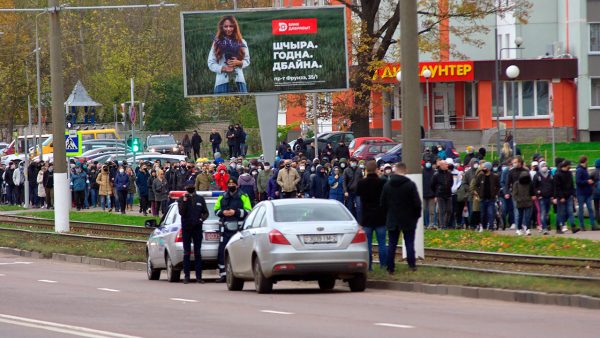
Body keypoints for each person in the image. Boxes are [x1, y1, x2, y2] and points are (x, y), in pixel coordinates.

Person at [380, 163, 421, 273]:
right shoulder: (410, 185)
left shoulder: (387, 185)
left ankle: (390, 267)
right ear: (405, 171)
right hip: (408, 219)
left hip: (392, 218)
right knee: (409, 243)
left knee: (392, 244)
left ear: (395, 170)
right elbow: (417, 203)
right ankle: (412, 265)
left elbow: (383, 204)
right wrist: (416, 217)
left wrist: (386, 217)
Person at [214, 178, 252, 283]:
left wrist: (235, 212)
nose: (231, 185)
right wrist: (223, 213)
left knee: (238, 251)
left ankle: (240, 273)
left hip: (238, 229)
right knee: (222, 251)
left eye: (233, 183)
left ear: (237, 185)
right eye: (229, 183)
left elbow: (249, 211)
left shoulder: (243, 196)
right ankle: (223, 274)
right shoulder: (222, 196)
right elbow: (216, 210)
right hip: (225, 228)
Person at [357, 160, 387, 271]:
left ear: (366, 170)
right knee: (382, 243)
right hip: (380, 218)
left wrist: (360, 220)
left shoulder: (361, 183)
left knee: (367, 245)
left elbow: (359, 203)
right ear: (376, 170)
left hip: (366, 219)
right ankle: (383, 266)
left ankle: (369, 266)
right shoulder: (383, 182)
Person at [208, 15, 250, 94]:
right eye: (225, 26)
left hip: (239, 81)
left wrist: (239, 63)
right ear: (221, 28)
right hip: (221, 83)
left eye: (231, 26)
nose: (228, 29)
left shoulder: (242, 42)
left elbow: (247, 61)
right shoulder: (216, 43)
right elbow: (211, 63)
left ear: (235, 27)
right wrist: (224, 68)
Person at [178, 184, 209, 284]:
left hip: (197, 228)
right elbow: (181, 212)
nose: (190, 188)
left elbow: (206, 212)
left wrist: (201, 219)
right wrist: (184, 201)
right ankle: (186, 276)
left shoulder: (200, 199)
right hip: (186, 228)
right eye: (188, 187)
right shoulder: (182, 199)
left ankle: (199, 277)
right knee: (186, 253)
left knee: (198, 253)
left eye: (191, 186)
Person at [554, 160, 579, 234]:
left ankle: (573, 226)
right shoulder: (557, 174)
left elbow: (571, 185)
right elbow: (557, 187)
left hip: (568, 195)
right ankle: (558, 227)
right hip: (561, 196)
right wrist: (561, 197)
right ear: (566, 165)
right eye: (569, 165)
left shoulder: (569, 173)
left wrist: (574, 194)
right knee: (560, 212)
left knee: (570, 211)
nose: (570, 166)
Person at [473, 162, 500, 231]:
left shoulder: (494, 176)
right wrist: (478, 193)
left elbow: (498, 186)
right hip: (482, 198)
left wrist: (495, 193)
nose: (483, 169)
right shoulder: (480, 176)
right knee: (482, 213)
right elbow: (476, 185)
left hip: (491, 198)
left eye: (484, 167)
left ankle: (491, 227)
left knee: (490, 213)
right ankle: (483, 226)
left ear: (488, 168)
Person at [430, 159, 453, 229]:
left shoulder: (449, 173)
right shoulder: (436, 175)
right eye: (445, 164)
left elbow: (451, 183)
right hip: (440, 195)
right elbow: (432, 185)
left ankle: (445, 223)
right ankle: (442, 225)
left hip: (448, 194)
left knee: (449, 210)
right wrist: (436, 193)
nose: (447, 165)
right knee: (442, 211)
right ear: (441, 166)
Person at [533, 161, 554, 234]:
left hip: (549, 196)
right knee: (543, 212)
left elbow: (552, 185)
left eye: (545, 165)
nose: (544, 167)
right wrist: (538, 194)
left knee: (547, 212)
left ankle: (545, 225)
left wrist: (552, 195)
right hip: (541, 197)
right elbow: (534, 187)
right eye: (542, 166)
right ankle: (544, 227)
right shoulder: (537, 176)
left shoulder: (550, 175)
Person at [576, 156, 596, 231]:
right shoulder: (579, 170)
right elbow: (578, 181)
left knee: (590, 209)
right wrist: (587, 181)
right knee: (581, 209)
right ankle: (582, 225)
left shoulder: (584, 170)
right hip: (581, 193)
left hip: (587, 192)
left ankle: (593, 225)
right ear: (584, 161)